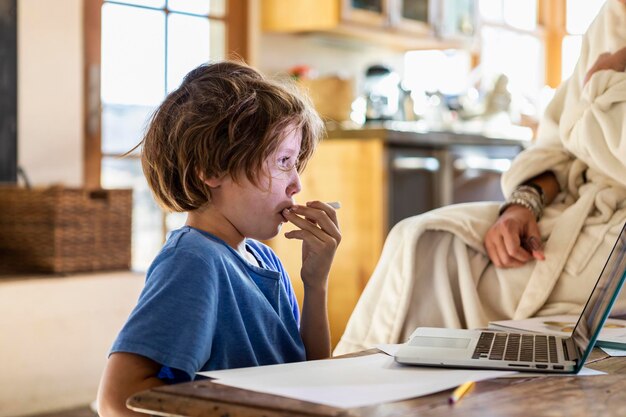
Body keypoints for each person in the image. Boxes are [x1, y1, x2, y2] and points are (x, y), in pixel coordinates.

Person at [334, 0, 626, 355]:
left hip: (615, 233)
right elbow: (558, 146)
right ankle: (361, 380)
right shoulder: (608, 20)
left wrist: (601, 82)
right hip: (574, 209)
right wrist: (522, 205)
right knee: (426, 239)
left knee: (476, 281)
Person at [97, 61, 341, 417]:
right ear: (213, 170)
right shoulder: (194, 259)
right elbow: (116, 400)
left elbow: (311, 376)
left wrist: (315, 284)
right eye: (284, 161)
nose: (297, 184)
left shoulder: (263, 258)